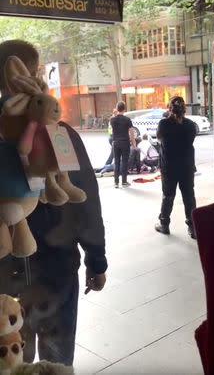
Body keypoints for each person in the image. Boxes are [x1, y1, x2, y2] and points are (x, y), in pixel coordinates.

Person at [0, 40, 107, 366]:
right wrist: (96, 259)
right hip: (56, 269)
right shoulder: (60, 134)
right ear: (29, 74)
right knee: (56, 359)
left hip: (5, 271)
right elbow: (85, 202)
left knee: (11, 356)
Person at [155, 96, 197, 239]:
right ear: (185, 109)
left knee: (168, 196)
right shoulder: (191, 125)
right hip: (187, 167)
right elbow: (190, 141)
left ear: (169, 108)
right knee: (189, 196)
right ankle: (193, 227)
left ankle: (164, 224)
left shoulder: (164, 124)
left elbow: (160, 139)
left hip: (169, 168)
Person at [110, 101, 135, 188]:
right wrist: (134, 143)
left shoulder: (112, 119)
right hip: (125, 143)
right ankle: (124, 181)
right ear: (124, 109)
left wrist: (115, 113)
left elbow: (113, 118)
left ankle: (116, 182)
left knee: (116, 162)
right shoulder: (127, 120)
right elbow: (132, 133)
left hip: (116, 143)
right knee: (124, 162)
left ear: (117, 108)